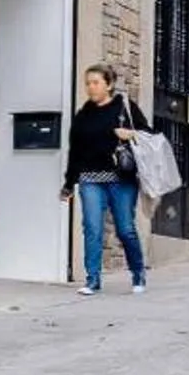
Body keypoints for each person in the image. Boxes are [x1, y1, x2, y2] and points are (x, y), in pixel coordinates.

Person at [61, 63, 148, 295]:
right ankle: (92, 279)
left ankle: (138, 271)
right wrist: (69, 183)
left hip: (122, 179)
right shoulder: (83, 115)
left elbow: (148, 134)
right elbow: (75, 151)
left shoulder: (125, 108)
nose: (90, 87)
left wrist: (130, 134)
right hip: (90, 179)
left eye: (95, 82)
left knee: (125, 229)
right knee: (91, 228)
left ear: (108, 85)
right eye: (88, 83)